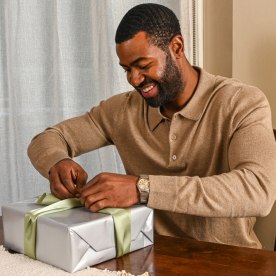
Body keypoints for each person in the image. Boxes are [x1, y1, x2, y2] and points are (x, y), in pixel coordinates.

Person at [27, 3, 276, 249]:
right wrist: (57, 162)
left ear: (176, 47)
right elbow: (49, 138)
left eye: (144, 66)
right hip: (146, 255)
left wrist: (142, 188)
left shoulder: (242, 102)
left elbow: (258, 190)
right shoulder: (121, 110)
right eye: (127, 69)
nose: (134, 79)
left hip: (229, 261)